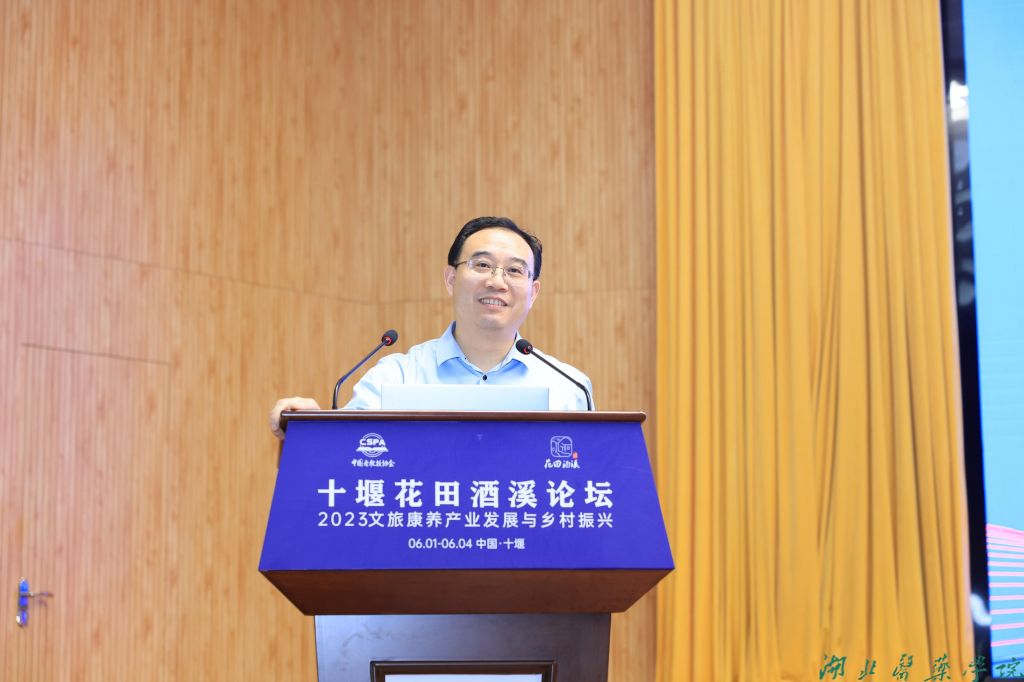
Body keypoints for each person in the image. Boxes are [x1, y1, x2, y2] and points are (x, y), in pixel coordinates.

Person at [269, 216, 593, 439]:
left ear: (533, 292)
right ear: (451, 279)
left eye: (514, 270)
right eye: (482, 265)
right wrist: (313, 426)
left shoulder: (569, 388)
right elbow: (348, 451)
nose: (497, 281)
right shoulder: (394, 378)